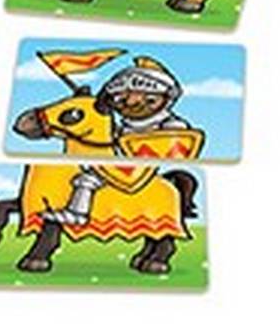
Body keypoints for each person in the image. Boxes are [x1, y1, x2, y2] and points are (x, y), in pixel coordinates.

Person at [46, 57, 190, 227]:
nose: (130, 103)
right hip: (119, 162)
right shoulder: (122, 127)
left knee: (88, 179)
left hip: (138, 170)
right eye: (122, 100)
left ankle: (77, 214)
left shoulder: (170, 125)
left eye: (149, 99)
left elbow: (174, 146)